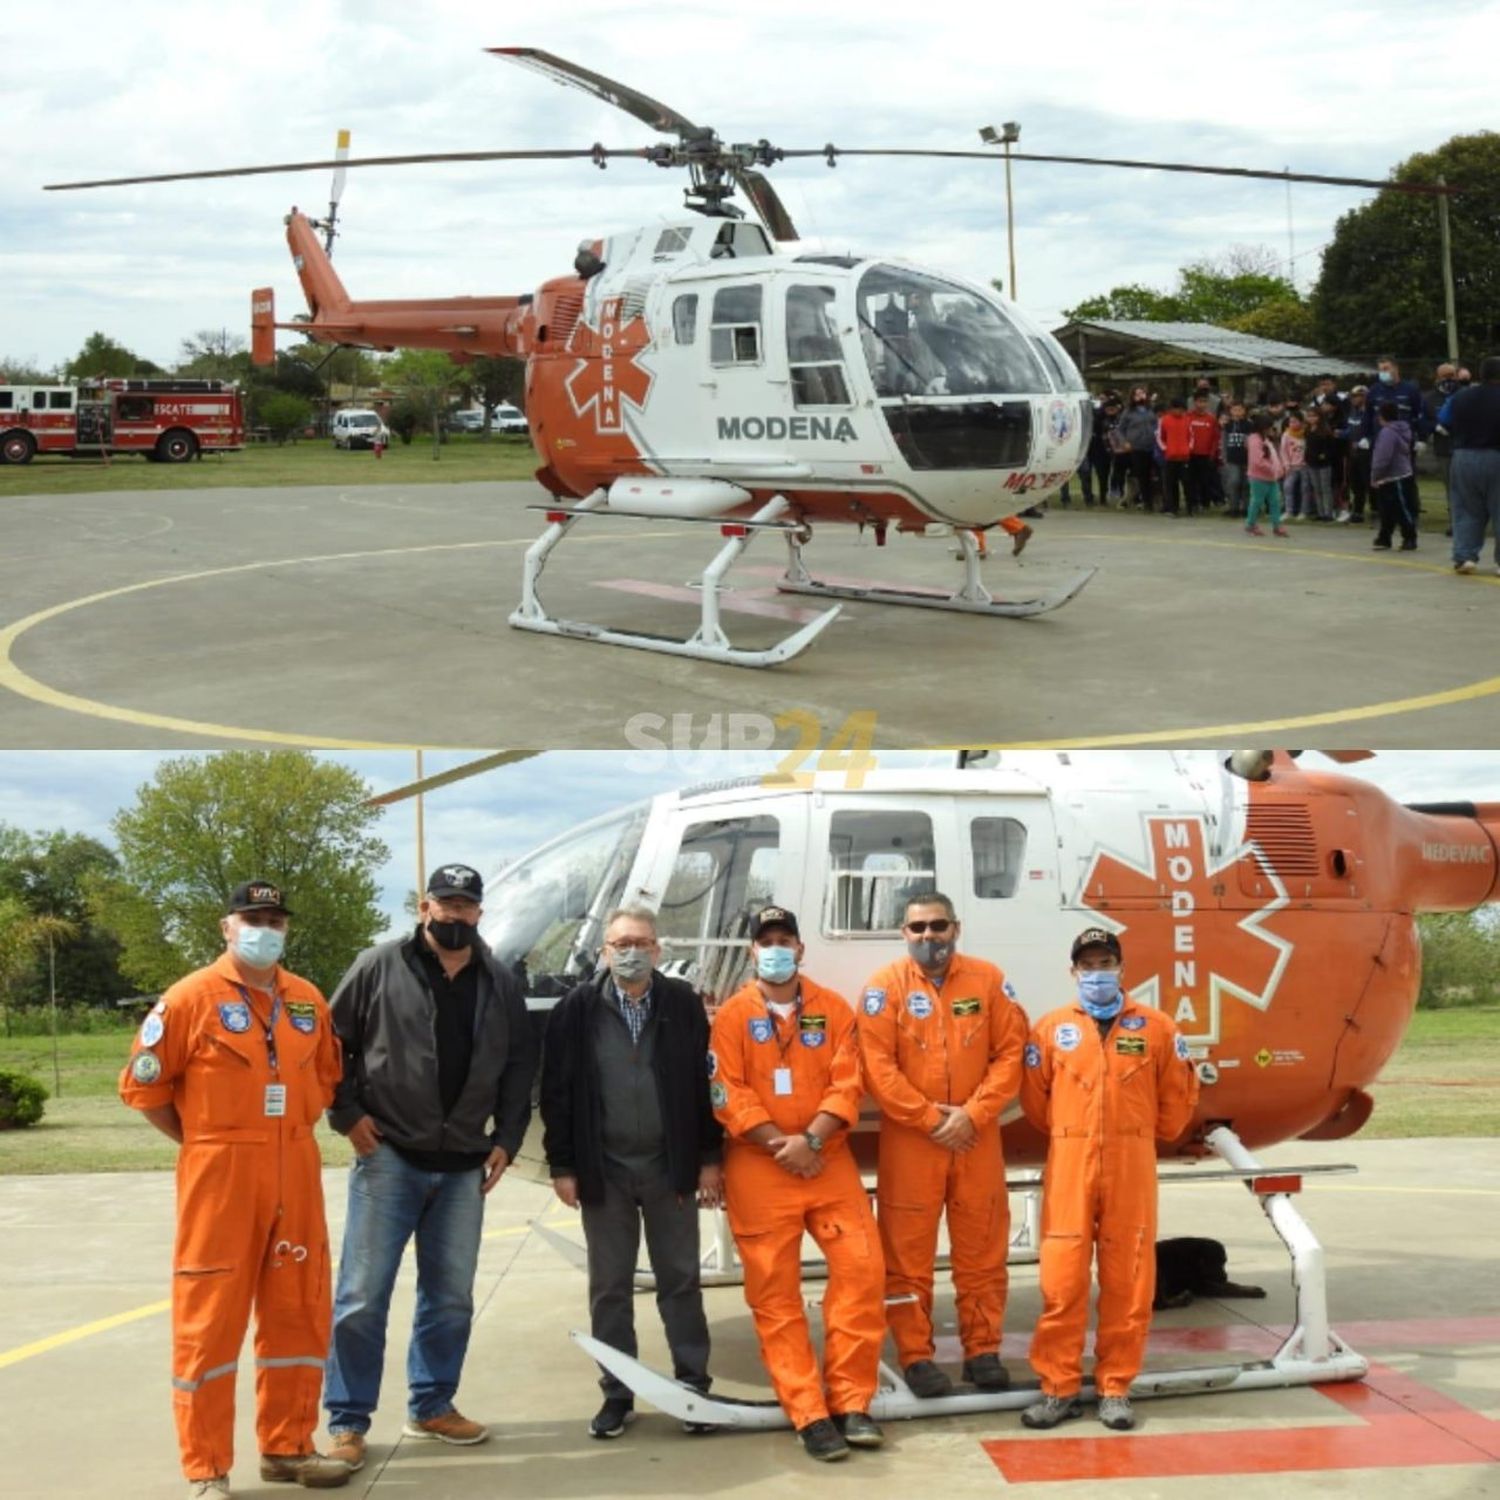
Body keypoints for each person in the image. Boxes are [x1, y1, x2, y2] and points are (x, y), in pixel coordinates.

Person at [120, 881, 350, 1498]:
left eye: (275, 919)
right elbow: (145, 1089)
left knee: (298, 1311)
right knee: (209, 1322)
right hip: (220, 1174)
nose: (265, 928)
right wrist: (205, 1141)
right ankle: (206, 1468)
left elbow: (327, 1077)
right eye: (253, 918)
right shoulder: (189, 997)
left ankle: (288, 1447)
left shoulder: (306, 999)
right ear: (227, 927)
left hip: (295, 1168)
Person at [322, 864, 534, 1471]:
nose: (455, 914)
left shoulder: (498, 980)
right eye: (445, 904)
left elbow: (520, 1065)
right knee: (362, 1298)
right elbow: (332, 1046)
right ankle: (347, 1420)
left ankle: (433, 1404)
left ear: (480, 913)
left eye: (466, 906)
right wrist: (346, 1114)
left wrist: (509, 1137)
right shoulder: (378, 965)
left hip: (465, 1163)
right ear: (424, 907)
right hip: (389, 1157)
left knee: (450, 1299)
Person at [710, 907, 886, 1463]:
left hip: (825, 1161)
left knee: (861, 1272)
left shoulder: (834, 1009)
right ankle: (808, 1412)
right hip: (759, 1166)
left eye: (785, 940)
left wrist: (809, 1141)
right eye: (767, 942)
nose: (776, 949)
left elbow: (848, 1082)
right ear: (751, 953)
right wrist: (779, 1145)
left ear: (801, 949)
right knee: (775, 1295)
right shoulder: (732, 1016)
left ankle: (852, 1401)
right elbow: (727, 1091)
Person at [540, 906, 724, 1439]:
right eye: (621, 942)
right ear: (603, 950)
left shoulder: (682, 1004)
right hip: (606, 1171)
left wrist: (709, 1160)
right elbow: (556, 1093)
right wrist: (564, 1166)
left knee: (681, 1282)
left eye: (642, 942)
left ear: (659, 950)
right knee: (611, 1288)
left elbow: (703, 1087)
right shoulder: (576, 1009)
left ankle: (693, 1387)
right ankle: (617, 1393)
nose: (632, 951)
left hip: (671, 1169)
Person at [1019, 927, 1199, 1432]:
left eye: (1105, 963)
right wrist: (1073, 1131)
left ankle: (1115, 1386)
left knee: (1130, 1279)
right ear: (1073, 972)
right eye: (1087, 964)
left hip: (1131, 1163)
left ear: (1122, 968)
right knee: (1062, 1280)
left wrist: (1136, 1134)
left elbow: (1177, 1102)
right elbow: (1036, 1102)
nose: (1096, 972)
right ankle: (1057, 1388)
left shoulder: (1158, 1028)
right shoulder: (1051, 1030)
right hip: (1070, 1162)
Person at [856, 893, 1027, 1398]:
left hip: (977, 1135)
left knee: (982, 1249)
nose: (928, 937)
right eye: (918, 929)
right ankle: (916, 1356)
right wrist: (931, 1119)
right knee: (907, 1256)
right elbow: (877, 1068)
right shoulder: (883, 988)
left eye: (938, 927)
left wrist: (974, 1113)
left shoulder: (989, 980)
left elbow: (1012, 1053)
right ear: (903, 933)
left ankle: (983, 1351)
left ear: (956, 927)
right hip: (913, 1141)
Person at [1441, 354, 1500, 575]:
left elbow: (1444, 421)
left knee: (1466, 509)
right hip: (1496, 455)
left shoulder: (1461, 397)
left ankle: (1464, 557)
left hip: (1463, 456)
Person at [1370, 401, 1418, 551]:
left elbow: (1383, 457)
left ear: (1382, 416)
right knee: (1387, 509)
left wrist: (1375, 475)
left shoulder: (1388, 432)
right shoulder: (1403, 429)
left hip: (1394, 475)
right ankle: (1384, 537)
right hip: (1399, 474)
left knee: (1401, 509)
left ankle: (1409, 537)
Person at [1245, 411, 1288, 537]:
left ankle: (1277, 525)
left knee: (1275, 501)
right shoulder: (1254, 440)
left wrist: (1278, 468)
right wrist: (1272, 469)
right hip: (1258, 477)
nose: (1271, 429)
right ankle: (1251, 524)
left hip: (1271, 477)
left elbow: (1273, 456)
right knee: (1257, 501)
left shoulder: (1266, 439)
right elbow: (1257, 461)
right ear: (1262, 427)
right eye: (1269, 427)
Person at [1116, 388, 1158, 510]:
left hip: (1152, 446)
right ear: (1133, 396)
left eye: (1143, 393)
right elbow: (1120, 429)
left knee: (1154, 475)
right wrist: (1125, 442)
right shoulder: (1128, 412)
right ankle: (1146, 502)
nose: (1140, 396)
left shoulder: (1150, 410)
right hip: (1137, 447)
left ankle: (1155, 500)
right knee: (1142, 475)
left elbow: (1156, 424)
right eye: (1137, 394)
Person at [1337, 386, 1372, 523]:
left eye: (1357, 396)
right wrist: (1341, 433)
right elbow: (1351, 429)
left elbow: (1375, 430)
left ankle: (1376, 511)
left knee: (1368, 483)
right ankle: (1358, 511)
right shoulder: (1353, 412)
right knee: (1355, 483)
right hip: (1353, 452)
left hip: (1366, 452)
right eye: (1352, 396)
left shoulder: (1370, 413)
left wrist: (1368, 440)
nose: (1354, 398)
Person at [1185, 390, 1221, 514]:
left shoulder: (1211, 419)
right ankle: (1193, 503)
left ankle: (1205, 503)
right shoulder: (1188, 417)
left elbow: (1215, 438)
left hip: (1205, 455)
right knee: (1191, 480)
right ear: (1194, 402)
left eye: (1204, 402)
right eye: (1199, 401)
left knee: (1205, 480)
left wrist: (1212, 453)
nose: (1202, 404)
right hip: (1191, 454)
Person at [1302, 409, 1337, 522]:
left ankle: (1328, 513)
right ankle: (1320, 512)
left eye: (1314, 416)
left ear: (1320, 417)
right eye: (1309, 416)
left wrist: (1324, 455)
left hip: (1323, 463)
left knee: (1325, 488)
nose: (1312, 419)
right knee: (1316, 488)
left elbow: (1330, 447)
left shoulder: (1325, 431)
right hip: (1311, 463)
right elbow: (1307, 446)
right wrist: (1306, 458)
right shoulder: (1307, 430)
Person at [1219, 401, 1252, 517]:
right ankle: (1233, 507)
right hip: (1232, 459)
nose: (1237, 412)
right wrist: (1224, 456)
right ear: (1230, 412)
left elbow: (1252, 442)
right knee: (1233, 481)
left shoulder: (1249, 425)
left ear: (1244, 411)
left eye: (1240, 409)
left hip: (1247, 459)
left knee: (1246, 484)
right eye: (1234, 410)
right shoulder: (1227, 426)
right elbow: (1223, 442)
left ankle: (1246, 508)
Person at [1280, 412, 1308, 520]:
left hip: (1305, 466)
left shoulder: (1306, 433)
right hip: (1291, 466)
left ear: (1301, 422)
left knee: (1304, 489)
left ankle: (1304, 511)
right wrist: (1286, 464)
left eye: (1295, 421)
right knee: (1287, 487)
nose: (1292, 424)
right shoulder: (1286, 434)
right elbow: (1283, 451)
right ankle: (1289, 511)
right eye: (1290, 422)